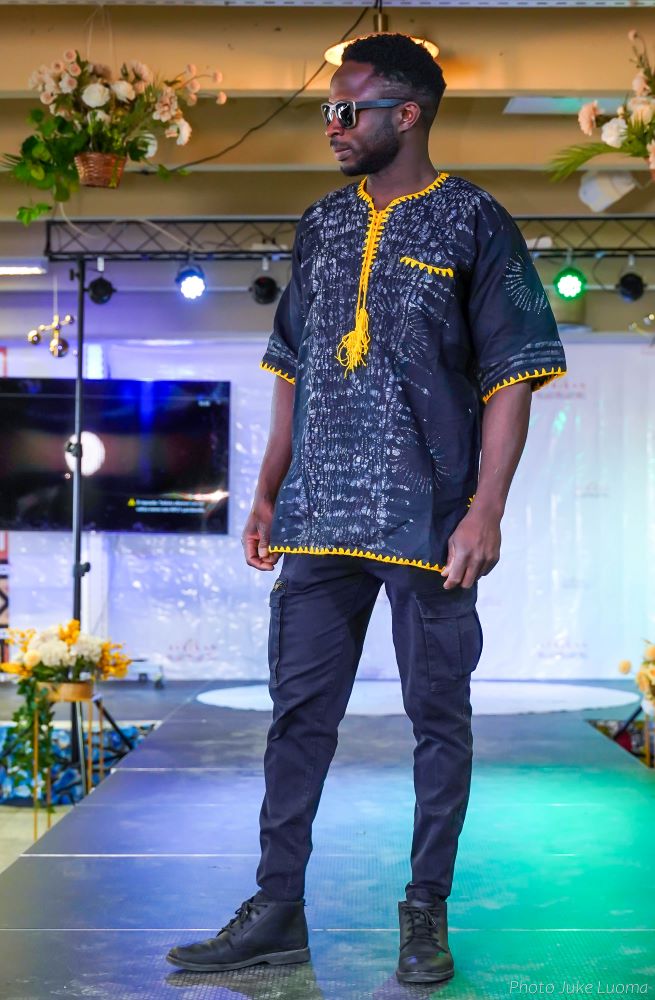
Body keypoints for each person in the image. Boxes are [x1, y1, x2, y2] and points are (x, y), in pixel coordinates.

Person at [167, 32, 567, 985]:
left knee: (439, 721)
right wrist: (265, 490)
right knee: (296, 719)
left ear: (407, 113)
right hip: (316, 519)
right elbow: (292, 365)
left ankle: (424, 912)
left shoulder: (475, 220)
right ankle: (276, 911)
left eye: (347, 110)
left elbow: (512, 374)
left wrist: (485, 511)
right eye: (328, 111)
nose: (332, 126)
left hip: (428, 523)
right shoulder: (320, 223)